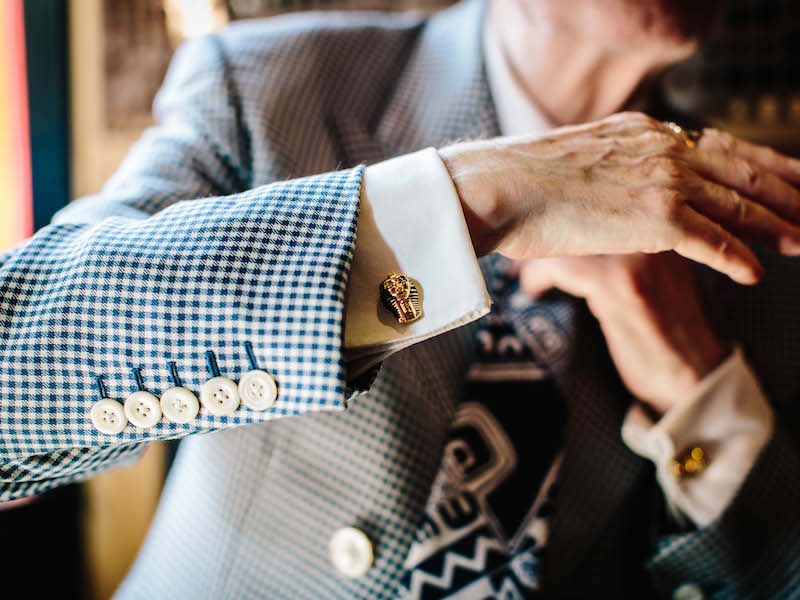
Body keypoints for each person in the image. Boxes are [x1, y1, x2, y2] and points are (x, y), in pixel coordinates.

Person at [2, 0, 799, 596]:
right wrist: (474, 200)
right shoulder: (266, 87)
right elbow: (18, 372)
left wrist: (698, 390)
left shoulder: (761, 232)